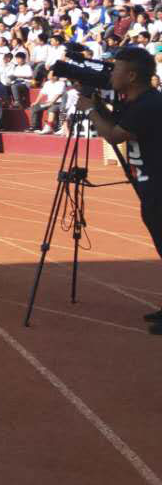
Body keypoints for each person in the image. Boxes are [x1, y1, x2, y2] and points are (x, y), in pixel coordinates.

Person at [76, 46, 162, 334]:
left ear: (132, 75)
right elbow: (116, 123)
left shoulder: (149, 104)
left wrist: (90, 110)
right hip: (150, 186)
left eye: (117, 69)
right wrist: (98, 105)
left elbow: (114, 135)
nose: (111, 74)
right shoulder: (136, 102)